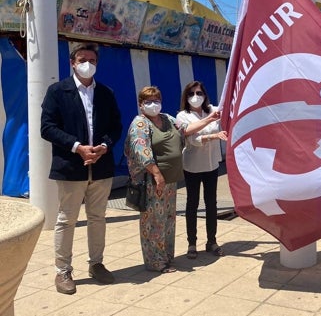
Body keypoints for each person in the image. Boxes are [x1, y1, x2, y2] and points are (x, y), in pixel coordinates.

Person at [40, 43, 122, 295]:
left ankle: (96, 264)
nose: (88, 63)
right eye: (82, 58)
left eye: (92, 59)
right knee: (67, 219)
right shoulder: (57, 91)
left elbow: (116, 126)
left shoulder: (106, 93)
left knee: (98, 217)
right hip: (70, 167)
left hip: (101, 166)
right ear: (72, 63)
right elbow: (47, 127)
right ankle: (63, 270)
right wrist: (78, 147)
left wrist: (104, 147)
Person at [124, 86, 220, 273]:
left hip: (170, 180)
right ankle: (155, 261)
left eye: (156, 100)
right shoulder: (140, 123)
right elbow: (141, 151)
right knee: (154, 221)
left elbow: (186, 130)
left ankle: (166, 257)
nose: (153, 104)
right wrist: (157, 174)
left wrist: (209, 119)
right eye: (148, 101)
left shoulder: (167, 119)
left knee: (167, 220)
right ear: (141, 104)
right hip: (152, 181)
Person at [176, 81, 228, 259]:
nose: (195, 97)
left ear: (205, 95)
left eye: (199, 93)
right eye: (191, 94)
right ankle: (192, 243)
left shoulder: (213, 110)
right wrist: (213, 135)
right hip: (192, 166)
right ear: (186, 97)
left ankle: (211, 241)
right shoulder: (183, 116)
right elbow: (192, 139)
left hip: (212, 164)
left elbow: (227, 113)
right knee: (192, 205)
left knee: (211, 204)